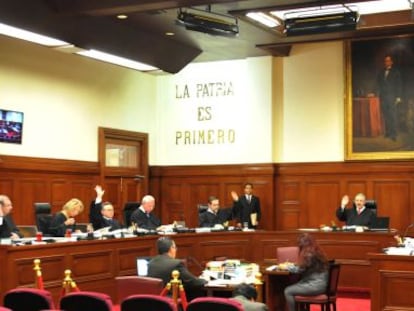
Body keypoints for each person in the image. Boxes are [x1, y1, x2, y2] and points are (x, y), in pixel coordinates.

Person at [284, 233, 329, 311]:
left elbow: (299, 270)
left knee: (288, 291)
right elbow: (304, 267)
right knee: (297, 284)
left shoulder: (308, 254)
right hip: (321, 285)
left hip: (315, 286)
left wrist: (286, 267)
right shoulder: (316, 251)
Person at [375, 55, 403, 141]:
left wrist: (398, 97)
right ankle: (387, 132)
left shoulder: (396, 72)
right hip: (383, 97)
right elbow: (378, 84)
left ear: (391, 62)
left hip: (392, 97)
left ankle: (394, 134)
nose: (386, 62)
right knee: (385, 115)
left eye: (388, 61)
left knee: (392, 115)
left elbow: (399, 85)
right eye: (385, 61)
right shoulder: (381, 72)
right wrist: (375, 93)